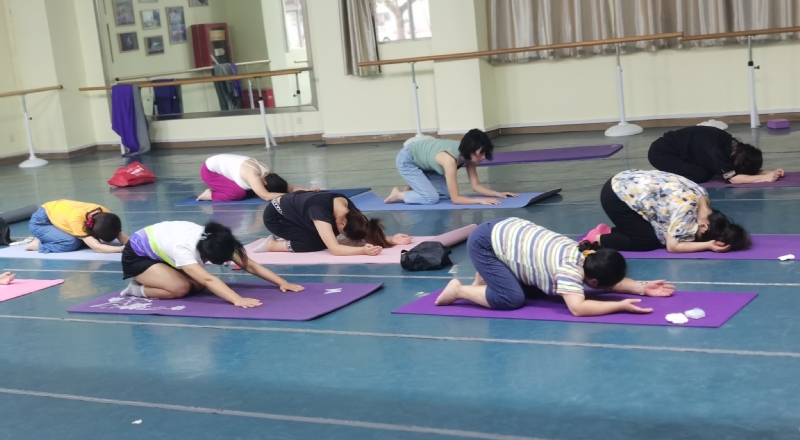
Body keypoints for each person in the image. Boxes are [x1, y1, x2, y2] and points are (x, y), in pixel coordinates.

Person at [435, 217, 675, 316]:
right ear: (592, 281)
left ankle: (488, 275)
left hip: (504, 229)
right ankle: (459, 290)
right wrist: (619, 306)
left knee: (537, 291)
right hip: (485, 242)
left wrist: (642, 287)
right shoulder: (569, 270)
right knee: (512, 299)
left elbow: (609, 280)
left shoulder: (586, 252)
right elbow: (578, 308)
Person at [120, 220, 303, 308]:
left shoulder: (218, 239)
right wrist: (237, 299)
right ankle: (135, 289)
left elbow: (250, 265)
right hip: (137, 257)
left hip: (162, 251)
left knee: (197, 285)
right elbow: (209, 279)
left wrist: (282, 282)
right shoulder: (184, 249)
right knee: (181, 288)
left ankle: (158, 277)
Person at [587, 169, 750, 253]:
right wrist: (707, 245)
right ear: (704, 227)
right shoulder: (686, 210)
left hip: (624, 180)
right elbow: (673, 246)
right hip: (615, 196)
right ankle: (598, 239)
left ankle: (610, 231)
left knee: (658, 231)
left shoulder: (702, 196)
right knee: (648, 242)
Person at [384, 129, 518, 206]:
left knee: (446, 194)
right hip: (408, 160)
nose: (483, 157)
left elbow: (476, 185)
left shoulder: (469, 156)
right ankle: (398, 195)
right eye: (481, 153)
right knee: (431, 199)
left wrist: (497, 194)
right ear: (470, 150)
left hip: (427, 163)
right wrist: (480, 200)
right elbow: (456, 199)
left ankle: (414, 186)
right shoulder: (449, 160)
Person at [263, 191, 412, 255]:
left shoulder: (350, 211)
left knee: (329, 235)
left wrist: (390, 239)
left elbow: (364, 229)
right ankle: (273, 245)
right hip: (278, 218)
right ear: (343, 224)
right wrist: (362, 251)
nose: (341, 234)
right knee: (317, 243)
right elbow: (335, 249)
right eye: (344, 233)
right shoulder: (320, 212)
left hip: (300, 213)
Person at [647, 126, 784, 184]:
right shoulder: (718, 152)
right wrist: (764, 178)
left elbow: (740, 169)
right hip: (661, 153)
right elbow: (733, 179)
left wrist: (769, 172)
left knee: (710, 171)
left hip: (677, 150)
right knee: (701, 175)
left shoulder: (729, 142)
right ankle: (662, 178)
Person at [197, 154, 317, 202]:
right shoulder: (253, 175)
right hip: (210, 171)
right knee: (238, 193)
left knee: (251, 191)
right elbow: (266, 196)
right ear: (264, 183)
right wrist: (291, 197)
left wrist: (307, 190)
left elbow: (289, 188)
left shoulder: (269, 173)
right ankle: (210, 195)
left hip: (222, 165)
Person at [25, 200, 128, 254]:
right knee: (71, 243)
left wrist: (133, 245)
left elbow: (119, 234)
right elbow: (97, 247)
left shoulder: (105, 214)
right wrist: (120, 249)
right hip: (41, 222)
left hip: (58, 216)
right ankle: (37, 245)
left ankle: (50, 235)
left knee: (84, 241)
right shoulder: (77, 220)